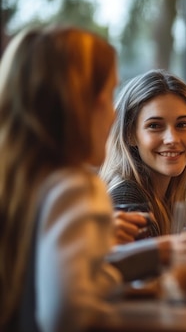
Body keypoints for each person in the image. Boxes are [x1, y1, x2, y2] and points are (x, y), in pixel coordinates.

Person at [0, 25, 122, 332]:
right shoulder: (77, 187)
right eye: (109, 95)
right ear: (80, 103)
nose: (114, 114)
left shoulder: (14, 184)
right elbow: (67, 316)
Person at [99, 69, 186, 244]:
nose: (172, 139)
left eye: (182, 124)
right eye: (155, 125)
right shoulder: (127, 201)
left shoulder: (163, 199)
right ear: (130, 135)